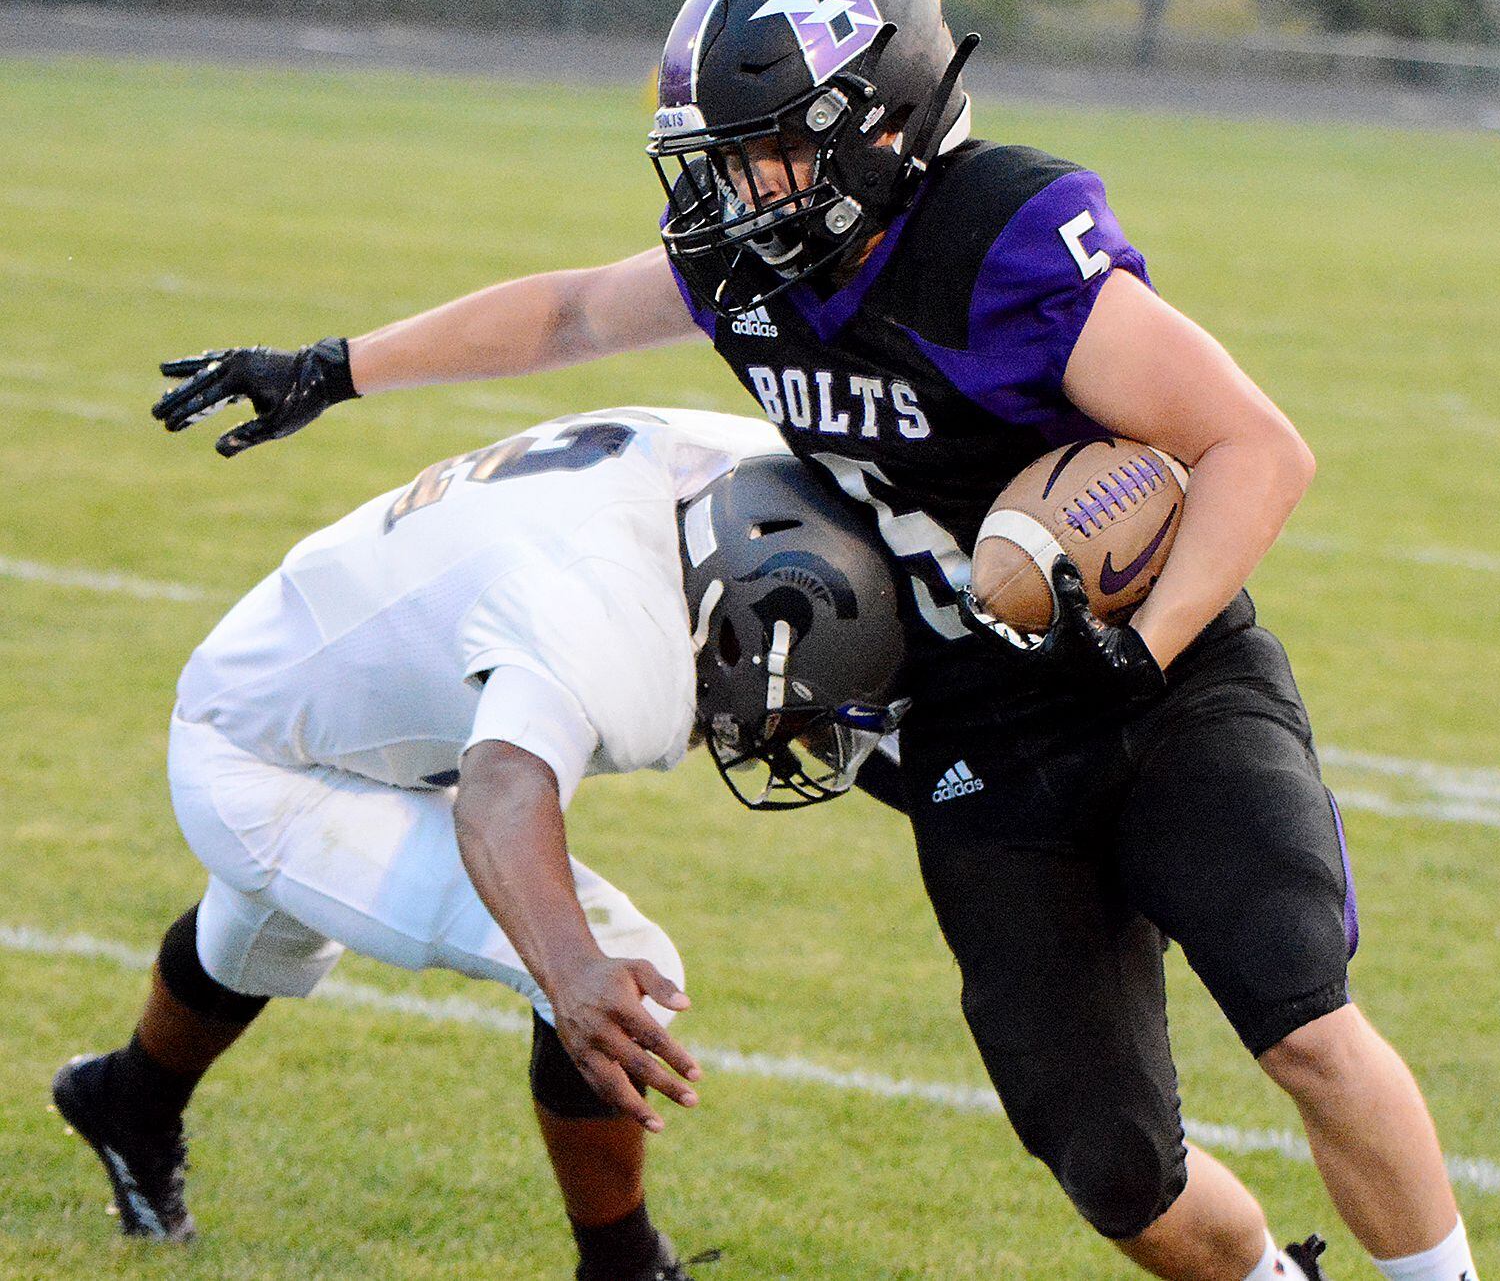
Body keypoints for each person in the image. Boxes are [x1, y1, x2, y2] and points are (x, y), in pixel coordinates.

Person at [146, 0, 1485, 1281]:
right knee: (1114, 1166)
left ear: (878, 125)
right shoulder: (760, 261)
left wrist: (1142, 638)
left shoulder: (996, 239)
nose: (737, 186)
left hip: (1164, 678)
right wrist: (333, 367)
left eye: (768, 149)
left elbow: (1257, 447)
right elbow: (565, 314)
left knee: (1301, 1015)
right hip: (976, 722)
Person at [54, 406, 909, 1281]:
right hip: (259, 756)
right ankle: (625, 1266)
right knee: (618, 965)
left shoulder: (750, 474)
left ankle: (125, 1100)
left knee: (264, 930)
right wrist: (571, 970)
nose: (792, 734)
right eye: (793, 709)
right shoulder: (598, 608)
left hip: (320, 677)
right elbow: (501, 796)